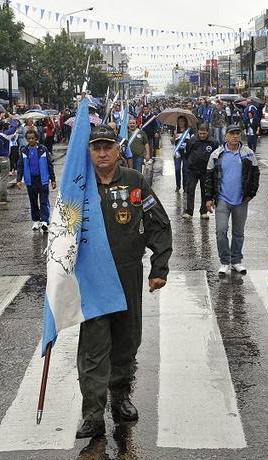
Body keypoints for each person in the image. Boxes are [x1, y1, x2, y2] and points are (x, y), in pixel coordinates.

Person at [76, 125, 172, 439]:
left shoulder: (135, 183)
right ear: (89, 151)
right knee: (94, 347)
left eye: (107, 147)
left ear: (118, 149)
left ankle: (120, 398)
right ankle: (92, 413)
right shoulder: (78, 185)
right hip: (91, 279)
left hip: (128, 273)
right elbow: (62, 233)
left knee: (126, 341)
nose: (102, 153)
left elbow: (158, 224)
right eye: (96, 148)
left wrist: (160, 267)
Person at [205, 125, 260, 275]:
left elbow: (255, 175)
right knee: (221, 231)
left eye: (238, 134)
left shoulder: (248, 154)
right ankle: (224, 261)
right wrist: (209, 198)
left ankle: (236, 260)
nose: (235, 136)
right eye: (232, 134)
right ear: (226, 136)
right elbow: (209, 177)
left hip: (241, 200)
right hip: (222, 199)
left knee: (238, 233)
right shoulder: (217, 154)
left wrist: (251, 194)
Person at [16, 130, 55, 231]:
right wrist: (19, 179)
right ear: (26, 139)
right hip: (30, 180)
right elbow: (20, 166)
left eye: (33, 138)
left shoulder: (43, 149)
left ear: (36, 138)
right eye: (29, 139)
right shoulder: (24, 151)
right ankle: (36, 221)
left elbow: (49, 165)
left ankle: (45, 221)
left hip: (43, 179)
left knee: (44, 201)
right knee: (33, 202)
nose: (31, 140)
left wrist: (53, 179)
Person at [182, 124, 218, 219]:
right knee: (190, 190)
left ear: (207, 132)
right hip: (193, 170)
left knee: (204, 191)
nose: (202, 135)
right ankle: (189, 212)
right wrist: (189, 164)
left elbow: (216, 156)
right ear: (198, 132)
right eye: (200, 133)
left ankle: (203, 211)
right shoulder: (192, 141)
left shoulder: (213, 142)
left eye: (204, 133)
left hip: (206, 171)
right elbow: (187, 153)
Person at [0, 116, 19, 204]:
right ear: (3, 127)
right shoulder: (6, 135)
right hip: (4, 158)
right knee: (4, 179)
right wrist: (12, 119)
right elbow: (13, 127)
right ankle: (2, 198)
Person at [173, 116, 192, 192]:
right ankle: (178, 185)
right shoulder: (175, 130)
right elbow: (172, 141)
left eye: (182, 121)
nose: (181, 123)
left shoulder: (189, 131)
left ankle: (185, 186)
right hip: (177, 152)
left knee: (185, 170)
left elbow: (192, 141)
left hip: (186, 152)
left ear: (185, 122)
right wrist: (174, 136)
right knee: (177, 169)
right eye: (179, 121)